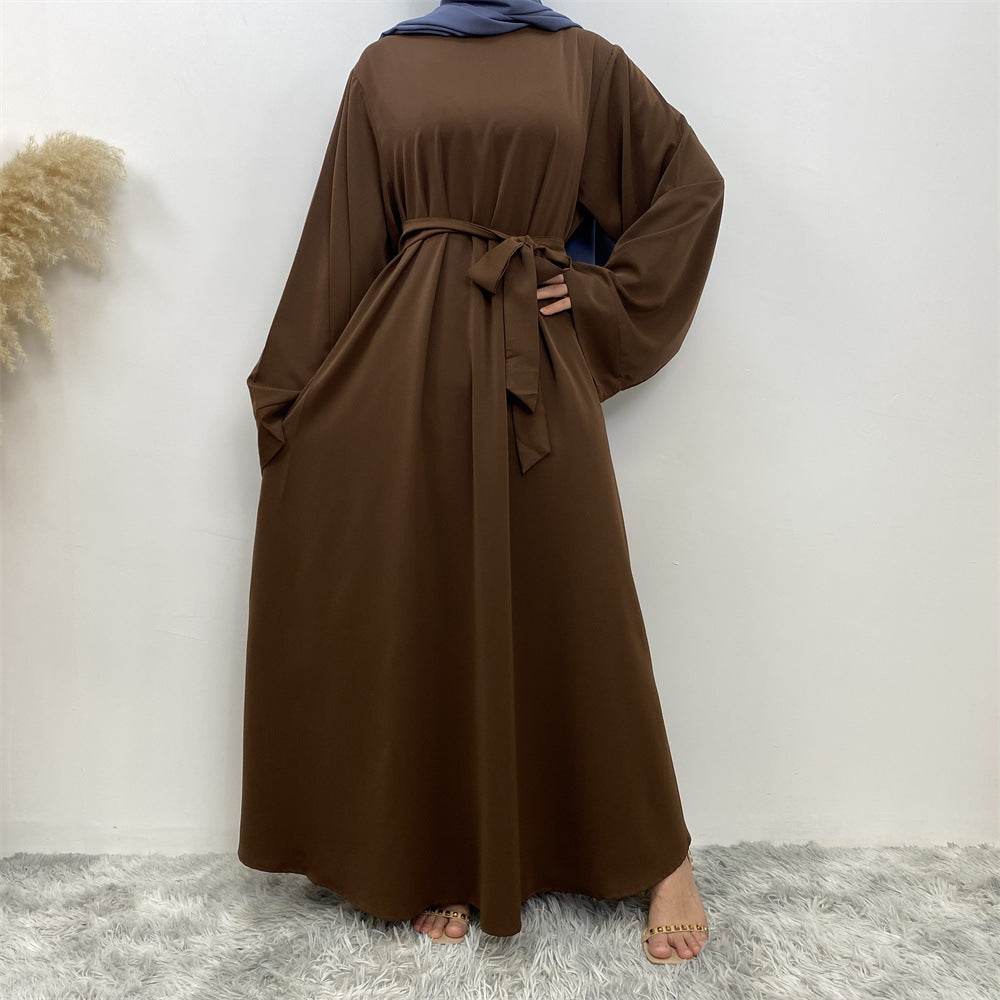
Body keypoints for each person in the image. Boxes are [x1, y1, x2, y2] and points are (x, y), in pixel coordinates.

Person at [238, 0, 724, 966]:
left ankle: (661, 853)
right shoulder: (384, 68)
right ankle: (443, 849)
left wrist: (602, 293)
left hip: (533, 365)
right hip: (403, 374)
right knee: (427, 607)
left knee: (583, 600)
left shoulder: (584, 61)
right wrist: (292, 393)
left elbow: (689, 187)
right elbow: (343, 240)